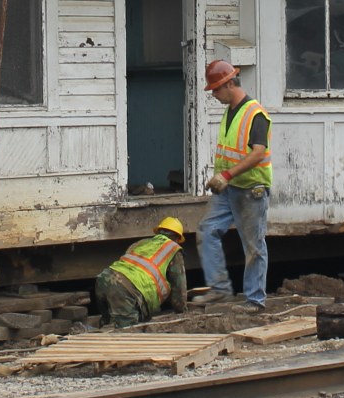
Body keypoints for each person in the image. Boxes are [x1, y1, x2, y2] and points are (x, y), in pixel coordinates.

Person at [198, 59, 272, 311]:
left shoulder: (255, 114)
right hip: (228, 188)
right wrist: (222, 177)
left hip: (251, 189)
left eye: (217, 89)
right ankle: (219, 289)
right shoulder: (229, 111)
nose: (215, 95)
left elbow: (258, 152)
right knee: (207, 230)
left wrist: (226, 175)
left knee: (253, 246)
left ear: (230, 83)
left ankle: (255, 300)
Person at [95, 218, 189, 328]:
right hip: (125, 290)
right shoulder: (173, 250)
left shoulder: (142, 243)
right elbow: (179, 289)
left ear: (158, 232)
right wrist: (182, 311)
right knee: (127, 333)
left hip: (104, 279)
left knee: (107, 324)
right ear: (178, 239)